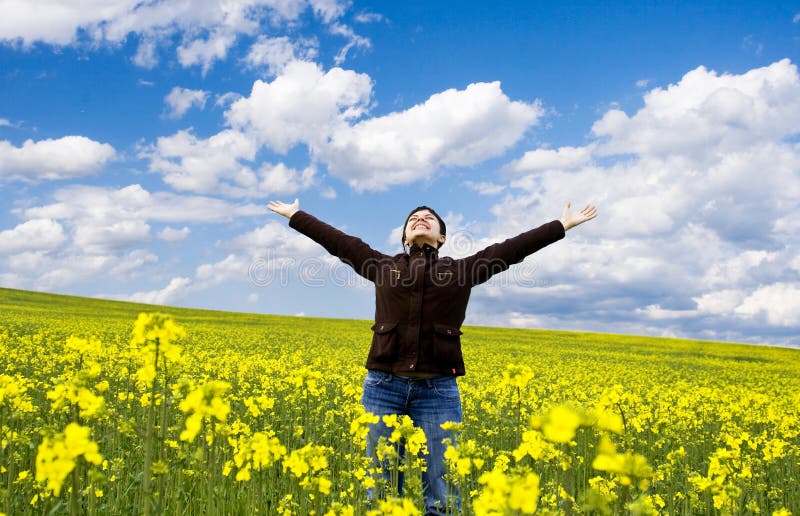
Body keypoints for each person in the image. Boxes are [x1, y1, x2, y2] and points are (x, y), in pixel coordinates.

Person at [268, 199, 597, 514]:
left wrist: (561, 225)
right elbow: (340, 242)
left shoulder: (463, 270)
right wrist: (297, 216)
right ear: (404, 237)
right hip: (383, 386)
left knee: (442, 491)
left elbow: (509, 250)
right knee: (380, 491)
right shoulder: (382, 267)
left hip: (438, 390)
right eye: (413, 219)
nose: (419, 219)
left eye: (428, 218)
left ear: (442, 237)